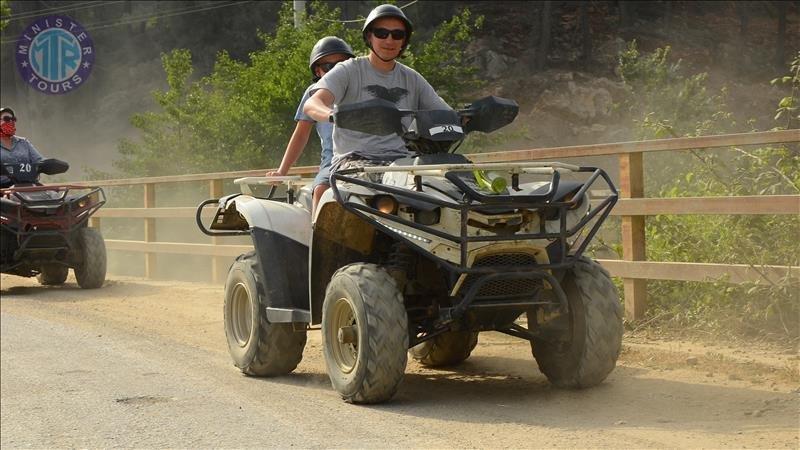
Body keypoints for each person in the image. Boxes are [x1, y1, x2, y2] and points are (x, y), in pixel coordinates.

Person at [302, 4, 452, 176]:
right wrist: (336, 116)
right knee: (383, 187)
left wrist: (470, 117)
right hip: (353, 162)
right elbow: (312, 104)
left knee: (448, 185)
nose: (389, 40)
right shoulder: (348, 70)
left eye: (397, 35)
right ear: (369, 36)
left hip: (403, 161)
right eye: (381, 33)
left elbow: (444, 114)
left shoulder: (412, 78)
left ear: (404, 41)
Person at [267, 36, 355, 215]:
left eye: (342, 64)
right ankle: (317, 238)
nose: (336, 70)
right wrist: (282, 171)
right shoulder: (313, 93)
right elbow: (301, 135)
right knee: (322, 190)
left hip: (371, 158)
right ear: (318, 71)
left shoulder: (361, 87)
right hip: (333, 163)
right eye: (329, 66)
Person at [0, 107, 43, 188]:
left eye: (13, 119)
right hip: (4, 188)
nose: (11, 121)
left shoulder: (23, 142)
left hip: (29, 184)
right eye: (6, 119)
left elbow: (39, 160)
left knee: (53, 195)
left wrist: (48, 164)